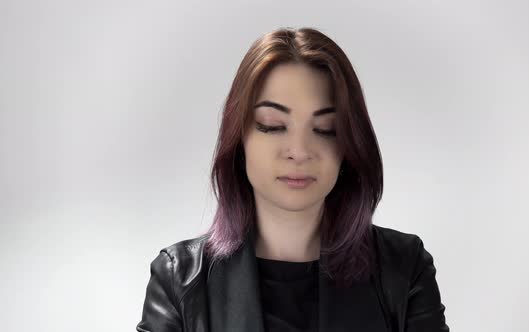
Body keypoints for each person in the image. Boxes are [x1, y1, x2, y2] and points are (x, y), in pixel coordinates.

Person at [136, 27, 450, 332]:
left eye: (326, 129)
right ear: (239, 139)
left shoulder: (404, 269)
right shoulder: (179, 279)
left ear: (349, 147)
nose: (299, 152)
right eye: (272, 125)